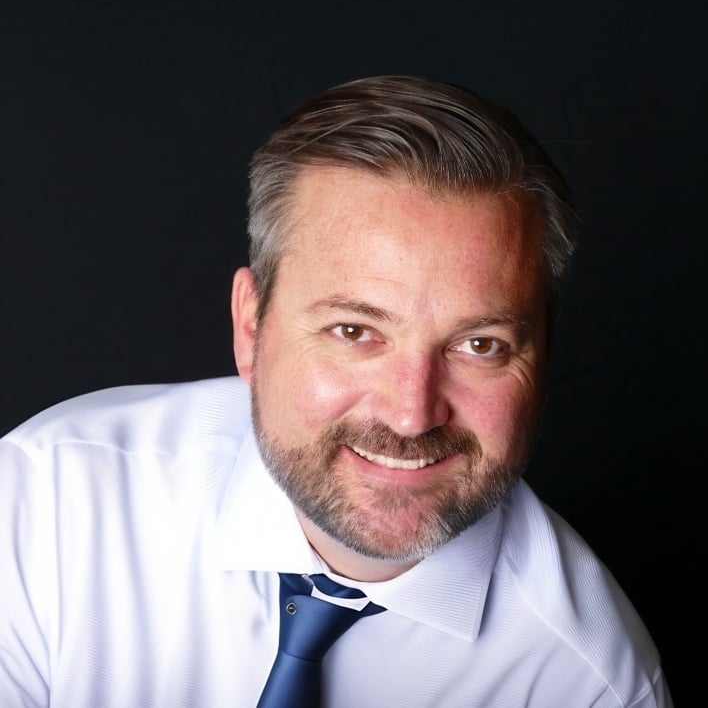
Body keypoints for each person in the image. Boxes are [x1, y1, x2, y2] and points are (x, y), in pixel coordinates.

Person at [0, 75, 673, 707]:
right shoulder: (45, 505)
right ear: (251, 327)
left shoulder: (587, 683)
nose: (410, 414)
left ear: (543, 357)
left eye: (479, 344)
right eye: (354, 331)